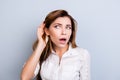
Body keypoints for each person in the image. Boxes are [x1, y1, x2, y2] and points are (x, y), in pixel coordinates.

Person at [21, 9, 90, 80]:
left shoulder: (82, 54)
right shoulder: (42, 53)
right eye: (57, 26)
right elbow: (25, 78)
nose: (64, 32)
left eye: (68, 27)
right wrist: (41, 45)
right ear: (47, 31)